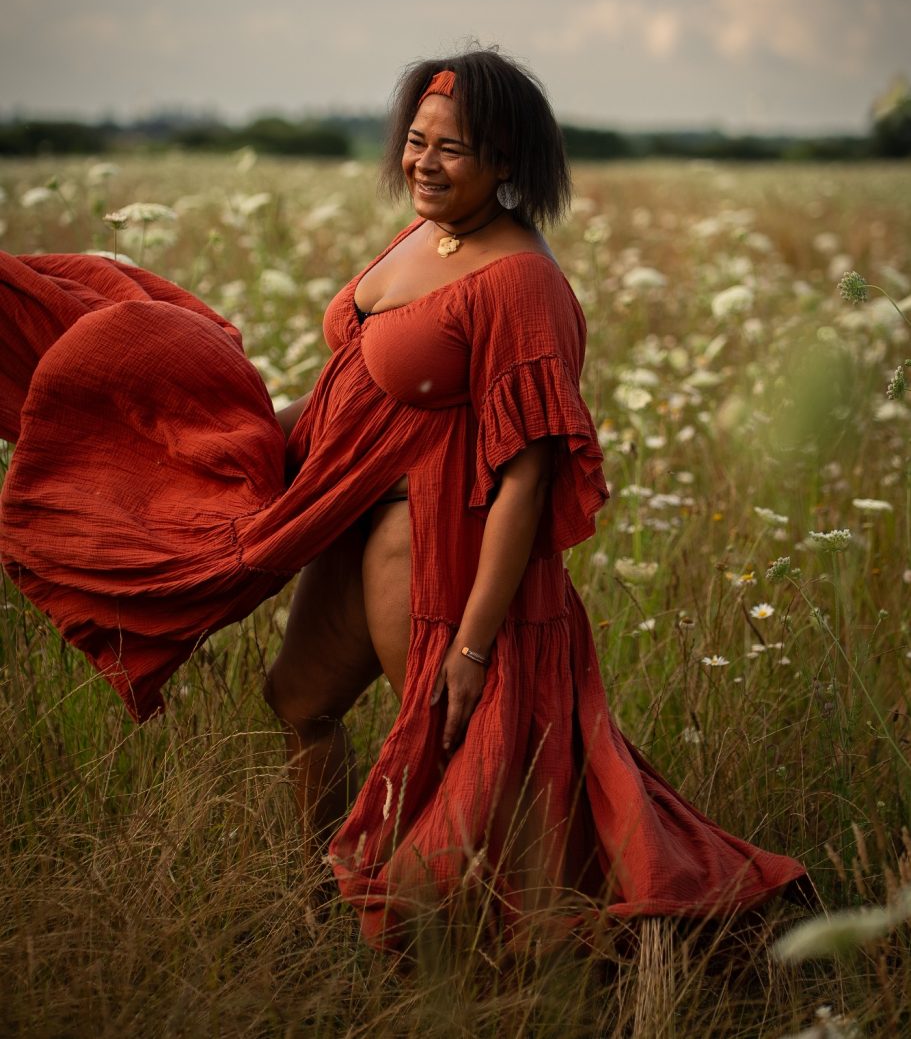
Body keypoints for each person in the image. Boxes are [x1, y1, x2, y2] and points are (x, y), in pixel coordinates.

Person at [0, 49, 807, 948]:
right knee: (299, 702)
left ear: (506, 162)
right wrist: (231, 425)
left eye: (451, 148)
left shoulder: (522, 283)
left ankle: (490, 934)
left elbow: (526, 479)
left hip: (425, 537)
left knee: (451, 753)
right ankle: (324, 904)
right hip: (347, 517)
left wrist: (472, 644)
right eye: (416, 140)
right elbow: (362, 371)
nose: (422, 162)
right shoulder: (428, 233)